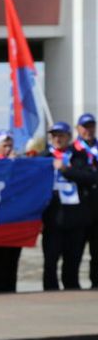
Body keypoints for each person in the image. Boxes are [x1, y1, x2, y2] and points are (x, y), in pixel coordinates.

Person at [41, 121, 98, 291]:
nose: (58, 139)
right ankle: (50, 291)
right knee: (51, 261)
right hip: (53, 218)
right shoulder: (44, 157)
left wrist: (67, 170)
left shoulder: (78, 157)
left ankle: (71, 289)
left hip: (76, 216)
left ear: (68, 137)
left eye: (61, 135)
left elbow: (91, 177)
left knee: (73, 260)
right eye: (55, 136)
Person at [0, 131, 23, 293]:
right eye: (4, 145)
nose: (8, 148)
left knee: (13, 258)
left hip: (15, 217)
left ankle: (10, 289)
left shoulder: (19, 164)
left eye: (10, 145)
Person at [74, 113, 98, 288]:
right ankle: (71, 286)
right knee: (75, 252)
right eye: (85, 127)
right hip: (79, 209)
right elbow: (72, 173)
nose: (88, 130)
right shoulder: (72, 150)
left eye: (91, 126)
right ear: (78, 129)